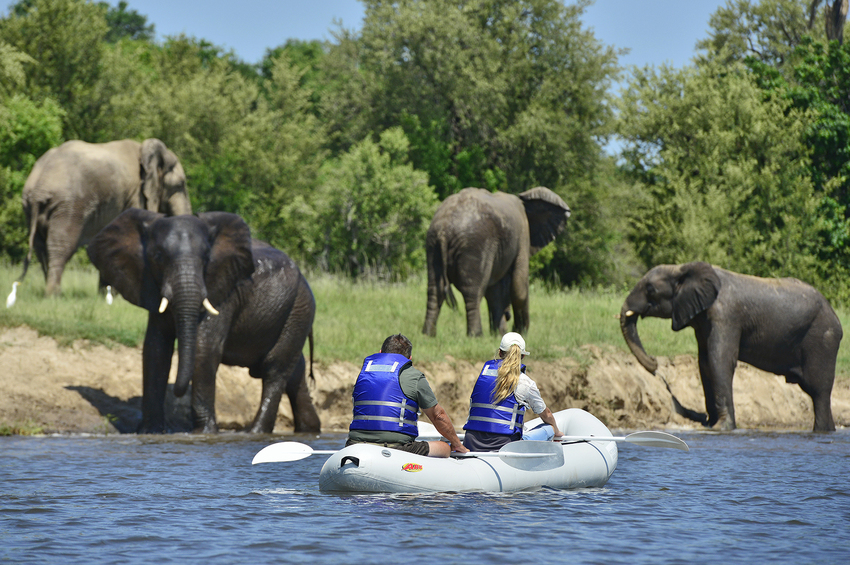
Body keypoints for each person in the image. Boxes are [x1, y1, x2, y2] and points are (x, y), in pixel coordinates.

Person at [347, 334, 469, 457]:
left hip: (354, 444)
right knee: (444, 447)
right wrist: (456, 444)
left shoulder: (363, 372)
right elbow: (438, 415)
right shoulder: (413, 376)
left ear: (380, 352)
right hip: (396, 447)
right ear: (409, 359)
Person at [462, 332, 563, 451]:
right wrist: (557, 432)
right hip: (504, 447)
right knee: (549, 428)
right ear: (523, 356)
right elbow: (547, 415)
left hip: (471, 442)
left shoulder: (484, 374)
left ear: (500, 352)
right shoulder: (525, 382)